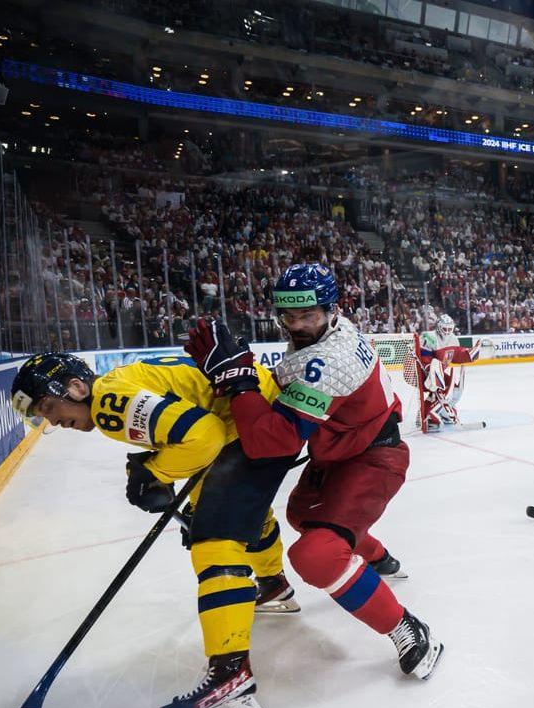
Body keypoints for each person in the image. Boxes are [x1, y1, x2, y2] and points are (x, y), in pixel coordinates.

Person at [7, 351, 299, 708]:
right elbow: (199, 426)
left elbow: (205, 436)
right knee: (230, 511)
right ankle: (273, 585)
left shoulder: (110, 403)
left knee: (213, 542)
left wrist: (154, 472)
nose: (54, 420)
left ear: (75, 387)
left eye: (48, 406)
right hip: (263, 413)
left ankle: (232, 683)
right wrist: (173, 483)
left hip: (249, 423)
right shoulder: (118, 384)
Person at [184, 262, 444, 681]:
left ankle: (408, 628)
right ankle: (378, 558)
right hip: (342, 451)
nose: (298, 325)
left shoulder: (330, 359)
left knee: (318, 555)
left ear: (331, 309)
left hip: (374, 458)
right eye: (289, 317)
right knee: (303, 516)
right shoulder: (330, 332)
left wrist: (239, 381)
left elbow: (273, 442)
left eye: (308, 316)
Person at [409, 313, 491, 430]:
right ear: (438, 327)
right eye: (444, 328)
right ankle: (424, 416)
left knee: (450, 386)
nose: (447, 331)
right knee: (442, 387)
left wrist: (471, 354)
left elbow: (457, 355)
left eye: (449, 329)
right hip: (419, 373)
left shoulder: (452, 339)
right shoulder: (428, 337)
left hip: (436, 373)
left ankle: (442, 411)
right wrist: (429, 371)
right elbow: (423, 357)